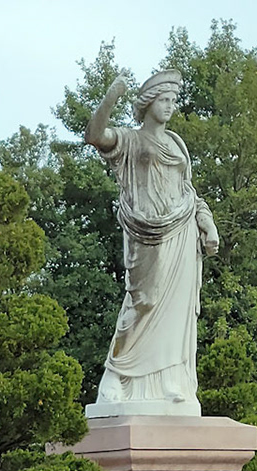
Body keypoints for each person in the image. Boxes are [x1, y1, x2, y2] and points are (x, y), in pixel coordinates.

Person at [85, 68, 219, 416]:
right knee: (144, 301)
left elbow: (188, 192)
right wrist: (112, 95)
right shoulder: (129, 140)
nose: (170, 106)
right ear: (147, 104)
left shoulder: (177, 144)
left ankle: (170, 381)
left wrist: (207, 223)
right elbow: (95, 134)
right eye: (163, 100)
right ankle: (116, 375)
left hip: (182, 231)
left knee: (175, 311)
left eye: (173, 100)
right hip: (146, 232)